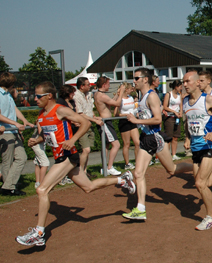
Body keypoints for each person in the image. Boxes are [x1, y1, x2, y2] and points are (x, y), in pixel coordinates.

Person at [15, 81, 135, 247]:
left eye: (38, 96)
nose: (35, 99)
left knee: (42, 189)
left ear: (49, 96)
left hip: (67, 157)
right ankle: (122, 180)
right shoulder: (42, 115)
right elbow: (50, 136)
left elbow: (84, 123)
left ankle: (39, 233)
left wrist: (72, 140)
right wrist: (37, 140)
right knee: (88, 187)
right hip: (59, 157)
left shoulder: (61, 110)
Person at [122, 68, 193, 221]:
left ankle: (197, 167)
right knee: (138, 173)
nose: (134, 81)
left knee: (172, 170)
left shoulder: (152, 96)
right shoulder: (141, 97)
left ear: (145, 79)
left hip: (155, 138)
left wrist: (136, 121)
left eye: (136, 78)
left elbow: (157, 120)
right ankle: (140, 209)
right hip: (146, 138)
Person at [179, 70, 212, 230]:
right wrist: (188, 138)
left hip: (211, 146)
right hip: (196, 148)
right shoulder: (185, 101)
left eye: (187, 81)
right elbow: (188, 122)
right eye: (183, 81)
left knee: (200, 183)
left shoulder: (208, 100)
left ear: (197, 83)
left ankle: (211, 217)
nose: (184, 84)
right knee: (204, 184)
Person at [0, 72, 34, 196]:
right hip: (5, 132)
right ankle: (8, 187)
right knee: (7, 161)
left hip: (13, 130)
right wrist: (15, 123)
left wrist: (24, 120)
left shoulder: (8, 94)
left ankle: (7, 185)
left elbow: (14, 109)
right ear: (11, 84)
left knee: (22, 157)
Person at [94, 76, 125, 176]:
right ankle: (109, 167)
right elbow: (117, 103)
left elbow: (110, 103)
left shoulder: (99, 94)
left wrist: (117, 94)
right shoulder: (101, 95)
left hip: (106, 122)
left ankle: (104, 167)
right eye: (108, 84)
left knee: (106, 146)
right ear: (104, 85)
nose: (109, 85)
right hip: (106, 123)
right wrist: (121, 93)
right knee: (116, 145)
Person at [73, 77, 102, 178]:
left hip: (89, 124)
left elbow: (89, 110)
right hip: (82, 125)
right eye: (88, 84)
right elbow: (80, 113)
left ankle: (84, 171)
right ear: (82, 86)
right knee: (86, 150)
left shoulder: (89, 95)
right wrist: (95, 120)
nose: (90, 86)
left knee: (88, 150)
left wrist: (94, 117)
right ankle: (80, 173)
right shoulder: (76, 96)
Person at [114, 82, 140, 169]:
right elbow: (116, 114)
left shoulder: (131, 98)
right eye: (129, 89)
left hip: (132, 121)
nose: (131, 90)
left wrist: (136, 112)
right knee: (127, 144)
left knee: (137, 142)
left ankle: (138, 161)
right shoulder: (120, 99)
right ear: (126, 89)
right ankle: (127, 163)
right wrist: (125, 115)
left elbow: (133, 108)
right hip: (124, 122)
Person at [162, 80, 183, 160]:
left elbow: (180, 105)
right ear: (176, 86)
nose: (181, 88)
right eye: (180, 86)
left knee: (175, 137)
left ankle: (174, 154)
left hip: (177, 118)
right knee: (169, 137)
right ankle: (167, 156)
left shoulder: (179, 95)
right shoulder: (168, 94)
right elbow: (165, 106)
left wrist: (180, 112)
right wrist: (174, 111)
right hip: (169, 118)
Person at [30, 122, 49, 189]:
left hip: (40, 144)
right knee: (45, 163)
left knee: (37, 162)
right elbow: (40, 131)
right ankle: (41, 184)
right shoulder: (40, 120)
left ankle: (38, 182)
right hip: (37, 144)